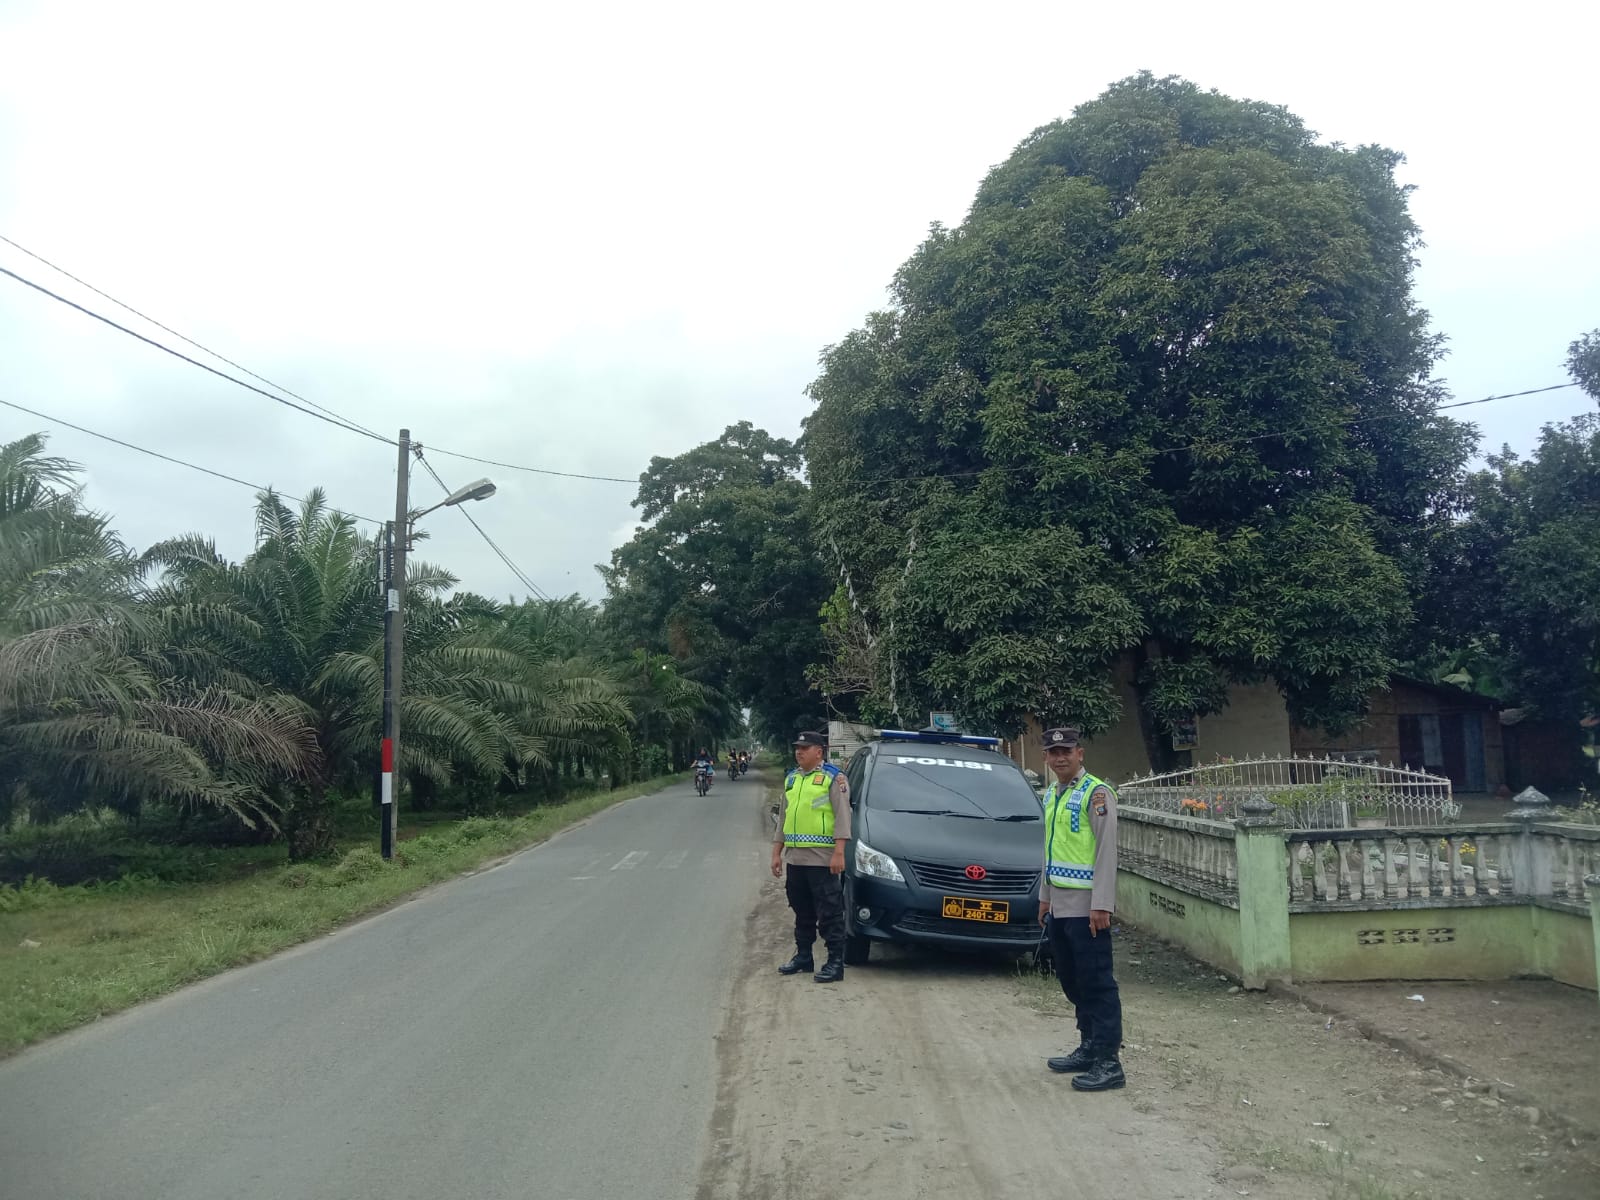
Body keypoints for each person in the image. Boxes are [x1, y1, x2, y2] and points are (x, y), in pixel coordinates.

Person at [1036, 726, 1124, 1091]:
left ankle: (1108, 1061)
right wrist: (1044, 897)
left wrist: (1101, 905)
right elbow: (1050, 850)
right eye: (1054, 752)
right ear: (1047, 757)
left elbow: (1107, 852)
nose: (1060, 758)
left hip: (1088, 908)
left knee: (1097, 982)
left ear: (1080, 753)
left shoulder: (1097, 794)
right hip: (1060, 905)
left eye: (1066, 751)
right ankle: (1088, 1046)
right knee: (1072, 980)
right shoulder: (1051, 795)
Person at [769, 730, 851, 983]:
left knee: (830, 912)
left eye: (805, 748)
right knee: (801, 910)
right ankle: (804, 956)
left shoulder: (834, 779)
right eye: (797, 747)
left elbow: (843, 817)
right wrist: (776, 852)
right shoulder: (792, 779)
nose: (799, 752)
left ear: (819, 751)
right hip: (796, 860)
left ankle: (835, 963)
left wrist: (839, 853)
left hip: (823, 859)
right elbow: (784, 817)